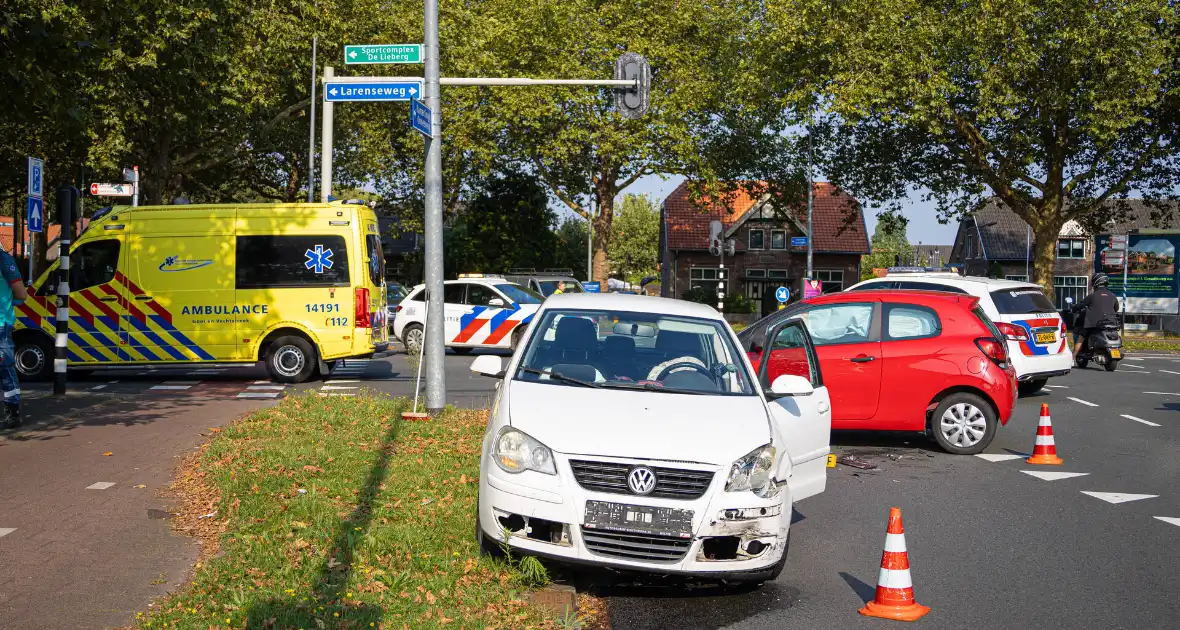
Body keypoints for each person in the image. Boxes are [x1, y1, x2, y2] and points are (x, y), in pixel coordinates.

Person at [0, 249, 28, 429]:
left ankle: (13, 411)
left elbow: (21, 294)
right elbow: (20, 295)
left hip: (1, 324)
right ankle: (12, 411)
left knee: (5, 367)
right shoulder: (3, 259)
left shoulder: (3, 260)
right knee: (5, 368)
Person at [1073, 272, 1120, 356]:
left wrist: (1074, 308)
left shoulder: (1092, 296)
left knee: (1081, 337)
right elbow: (1116, 308)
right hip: (1111, 323)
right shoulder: (1113, 296)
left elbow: (1080, 305)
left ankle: (1072, 358)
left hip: (1094, 324)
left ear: (1096, 282)